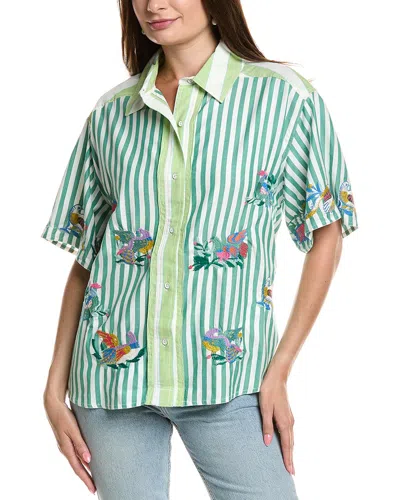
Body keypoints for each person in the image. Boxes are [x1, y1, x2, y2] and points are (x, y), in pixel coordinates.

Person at [41, 0, 359, 498]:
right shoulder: (111, 113)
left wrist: (279, 369)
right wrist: (53, 388)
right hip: (110, 381)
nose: (154, 4)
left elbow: (327, 235)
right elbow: (88, 261)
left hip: (231, 379)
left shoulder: (284, 98)